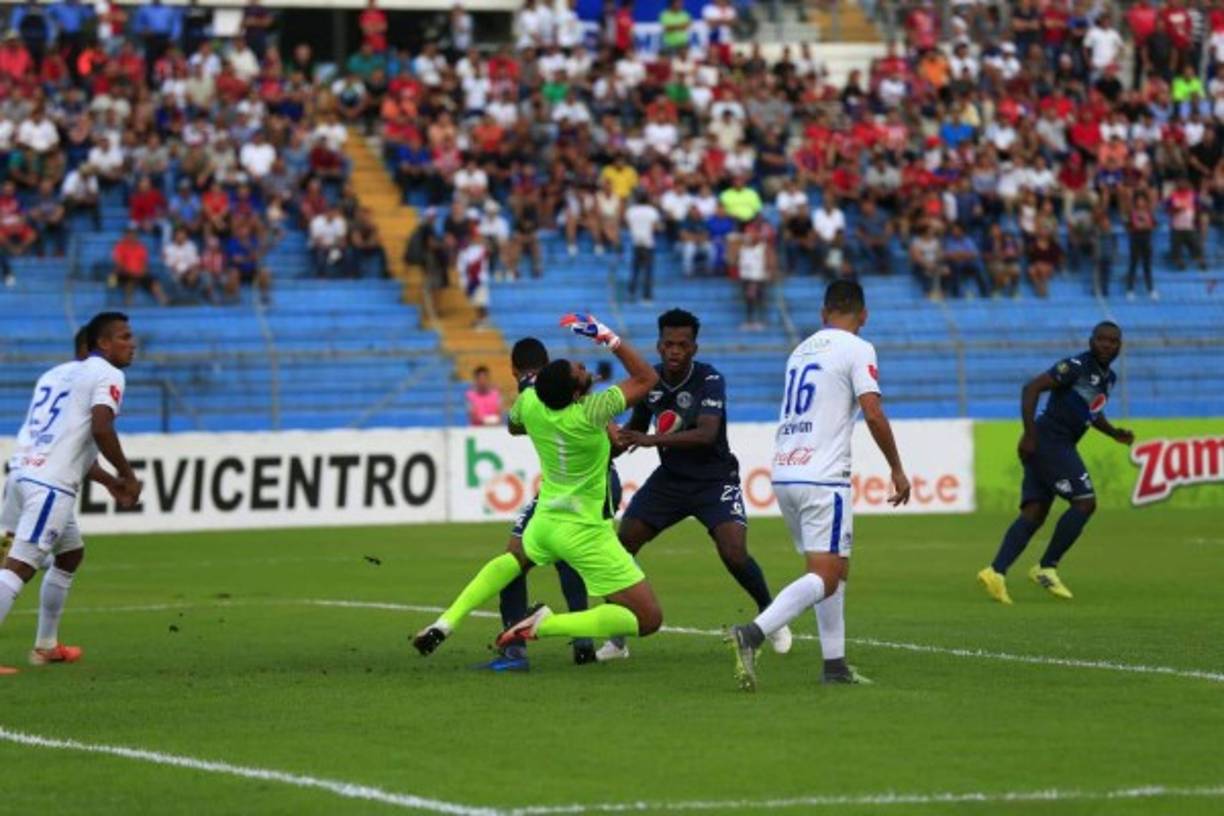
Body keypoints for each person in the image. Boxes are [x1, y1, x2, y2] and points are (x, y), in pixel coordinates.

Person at [413, 314, 663, 658]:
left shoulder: (530, 405)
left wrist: (535, 392)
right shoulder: (591, 411)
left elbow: (514, 425)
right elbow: (648, 377)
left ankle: (447, 621)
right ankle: (545, 626)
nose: (581, 365)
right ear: (577, 393)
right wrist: (607, 337)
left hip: (546, 519)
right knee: (648, 619)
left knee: (513, 559)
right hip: (585, 528)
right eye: (578, 370)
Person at [728, 280, 911, 691]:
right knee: (827, 575)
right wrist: (897, 469)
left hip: (785, 472)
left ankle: (835, 665)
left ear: (823, 313)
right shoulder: (858, 348)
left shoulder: (801, 349)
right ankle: (752, 634)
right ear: (864, 315)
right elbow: (873, 412)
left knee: (833, 570)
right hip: (823, 476)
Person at [597, 309, 789, 662]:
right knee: (619, 550)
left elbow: (706, 433)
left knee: (733, 551)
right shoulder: (650, 382)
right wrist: (600, 446)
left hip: (714, 479)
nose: (674, 351)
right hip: (670, 481)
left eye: (682, 345)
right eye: (668, 344)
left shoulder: (710, 379)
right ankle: (617, 637)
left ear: (694, 348)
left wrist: (651, 439)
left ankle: (770, 614)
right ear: (658, 345)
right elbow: (631, 434)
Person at [0, 312, 142, 674]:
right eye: (125, 337)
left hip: (20, 475)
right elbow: (101, 427)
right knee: (18, 568)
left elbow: (71, 440)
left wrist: (110, 482)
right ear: (101, 344)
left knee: (70, 554)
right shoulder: (109, 374)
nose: (133, 344)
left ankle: (46, 646)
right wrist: (127, 474)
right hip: (50, 486)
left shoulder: (54, 375)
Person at [482, 337, 622, 671]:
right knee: (574, 559)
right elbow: (613, 436)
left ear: (513, 369)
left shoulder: (530, 394)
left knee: (513, 562)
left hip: (576, 490)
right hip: (602, 484)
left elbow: (514, 425)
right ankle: (587, 641)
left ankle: (514, 651)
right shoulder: (570, 386)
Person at [978, 322, 1135, 605]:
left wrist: (1114, 434)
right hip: (1049, 442)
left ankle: (995, 572)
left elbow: (1091, 412)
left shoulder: (1108, 377)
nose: (1106, 345)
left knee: (1035, 512)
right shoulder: (1076, 366)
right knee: (1085, 502)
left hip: (1053, 445)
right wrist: (1029, 434)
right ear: (1091, 341)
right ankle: (1046, 566)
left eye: (1113, 341)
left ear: (1119, 346)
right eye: (1101, 339)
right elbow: (1032, 388)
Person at [112, 229, 168, 306]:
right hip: (125, 274)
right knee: (129, 284)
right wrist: (131, 272)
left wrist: (142, 272)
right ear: (126, 236)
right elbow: (119, 265)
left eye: (134, 236)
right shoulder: (120, 247)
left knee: (154, 283)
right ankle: (128, 307)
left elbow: (144, 265)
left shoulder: (141, 248)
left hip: (139, 274)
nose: (132, 237)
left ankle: (165, 303)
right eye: (130, 235)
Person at [624, 191, 660, 304]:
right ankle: (647, 297)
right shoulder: (652, 211)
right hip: (648, 244)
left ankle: (631, 293)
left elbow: (628, 225)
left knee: (635, 270)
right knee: (648, 271)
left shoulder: (631, 211)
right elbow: (655, 227)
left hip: (636, 243)